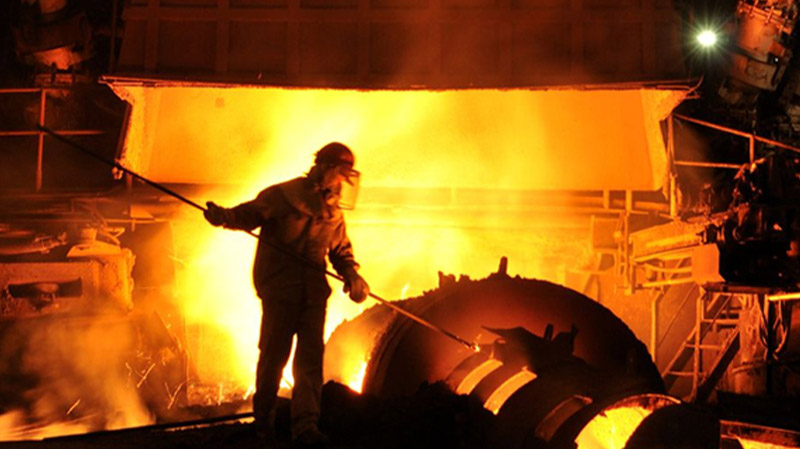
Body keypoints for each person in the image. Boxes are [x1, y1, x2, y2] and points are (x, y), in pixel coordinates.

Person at [203, 142, 370, 447]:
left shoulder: (332, 212)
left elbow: (340, 251)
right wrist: (222, 216)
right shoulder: (282, 197)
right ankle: (264, 423)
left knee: (309, 363)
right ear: (326, 168)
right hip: (281, 294)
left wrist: (352, 274)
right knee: (273, 359)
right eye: (340, 174)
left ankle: (305, 427)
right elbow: (246, 215)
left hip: (313, 297)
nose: (342, 183)